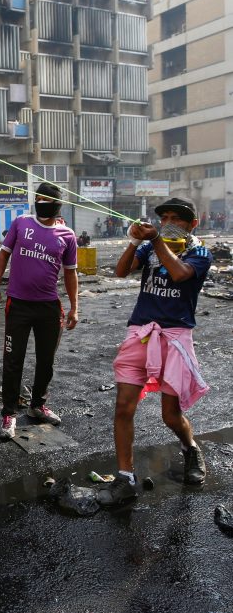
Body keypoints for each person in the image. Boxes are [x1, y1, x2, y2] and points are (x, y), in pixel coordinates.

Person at [98, 198, 212, 505]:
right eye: (165, 217)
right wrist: (135, 242)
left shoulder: (200, 253)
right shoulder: (149, 249)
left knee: (170, 415)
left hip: (174, 337)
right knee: (123, 407)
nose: (170, 221)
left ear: (192, 224)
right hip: (141, 334)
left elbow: (179, 274)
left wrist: (157, 240)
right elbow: (121, 271)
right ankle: (125, 477)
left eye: (178, 218)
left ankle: (190, 448)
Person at [0, 183, 79, 440]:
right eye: (38, 199)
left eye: (46, 200)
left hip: (49, 307)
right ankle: (9, 413)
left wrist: (74, 307)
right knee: (13, 361)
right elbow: (3, 255)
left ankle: (37, 405)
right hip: (18, 305)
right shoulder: (21, 223)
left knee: (46, 361)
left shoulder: (67, 235)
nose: (41, 203)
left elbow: (70, 273)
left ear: (57, 204)